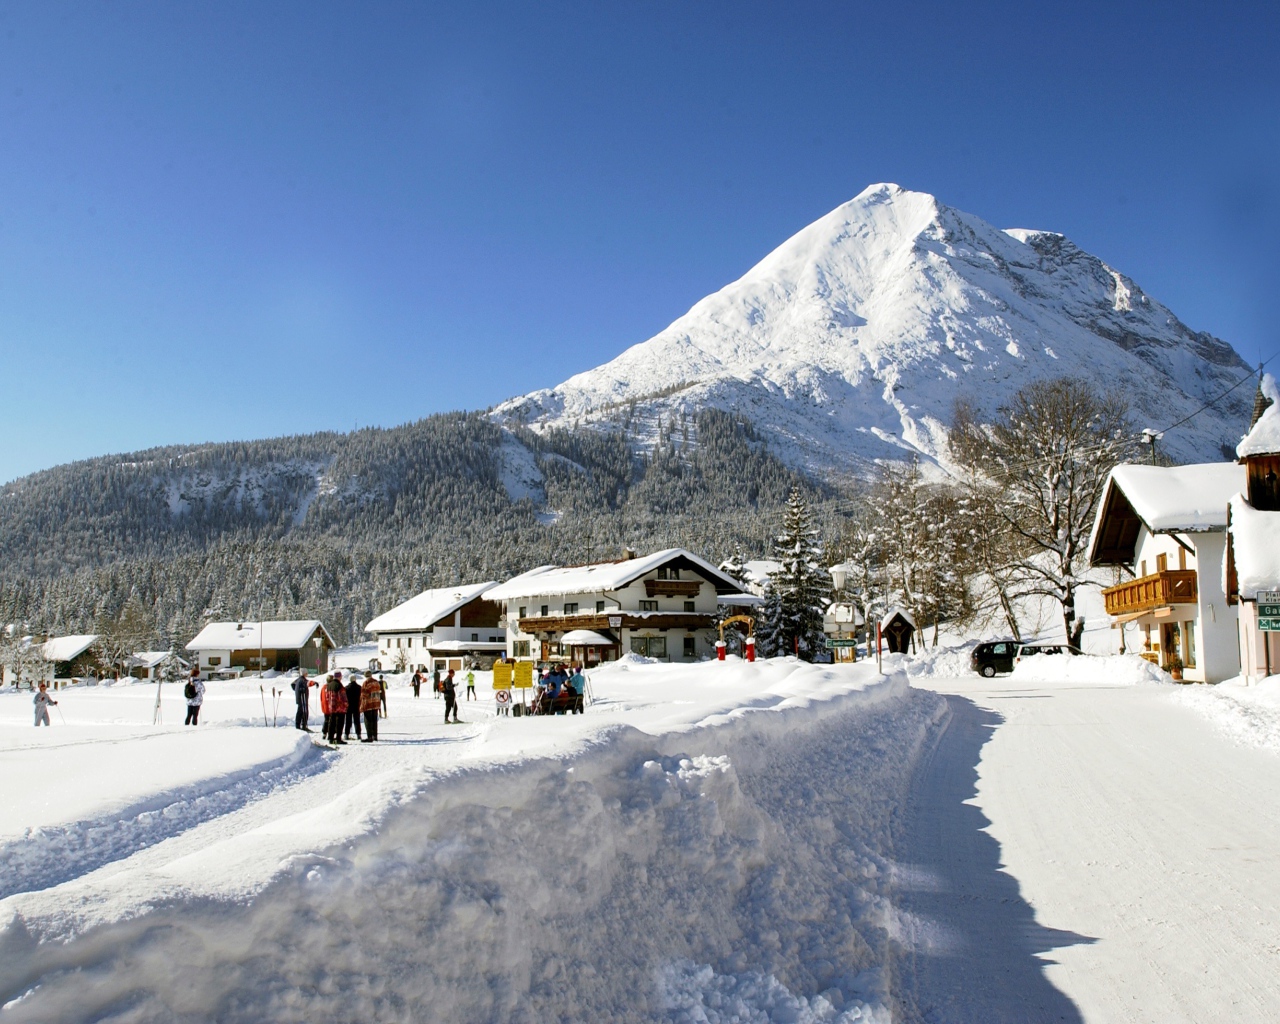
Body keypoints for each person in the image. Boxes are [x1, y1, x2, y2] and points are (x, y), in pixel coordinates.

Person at [320, 675, 348, 745]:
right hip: (339, 707)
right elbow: (342, 697)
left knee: (331, 722)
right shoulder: (339, 685)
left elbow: (326, 697)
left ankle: (330, 737)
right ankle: (338, 738)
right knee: (339, 723)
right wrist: (346, 705)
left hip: (330, 707)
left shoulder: (328, 686)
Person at [360, 672, 383, 741]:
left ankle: (369, 736)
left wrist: (361, 704)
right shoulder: (376, 682)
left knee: (368, 720)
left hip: (368, 704)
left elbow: (364, 694)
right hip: (376, 703)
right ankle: (375, 735)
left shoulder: (366, 683)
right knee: (374, 720)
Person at [344, 672, 364, 741]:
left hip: (349, 706)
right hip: (356, 706)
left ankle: (346, 734)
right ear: (355, 680)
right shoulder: (359, 687)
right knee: (357, 721)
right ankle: (358, 734)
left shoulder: (346, 688)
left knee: (348, 721)